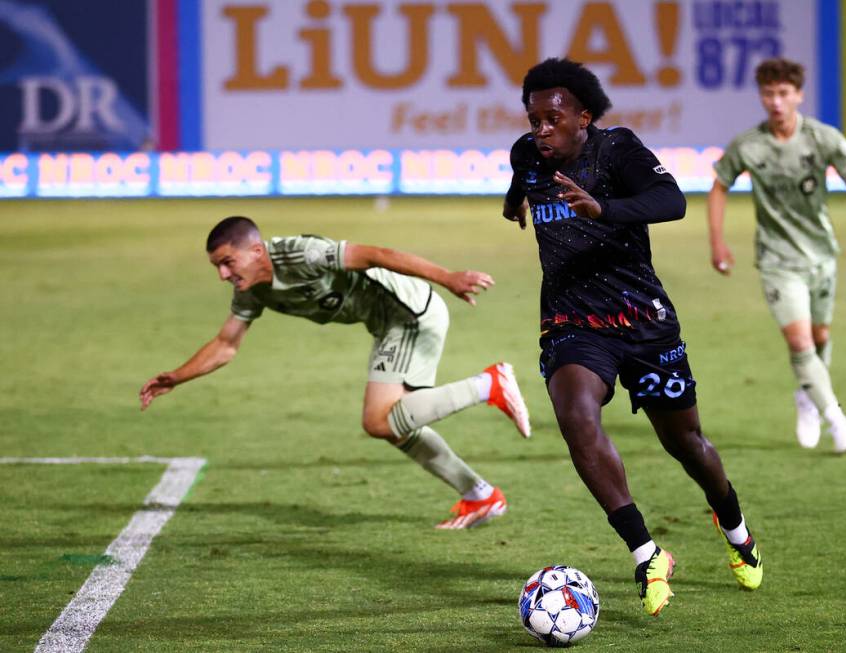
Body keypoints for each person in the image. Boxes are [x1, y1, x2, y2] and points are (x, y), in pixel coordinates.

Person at [501, 58, 763, 618]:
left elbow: (673, 203)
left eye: (553, 118)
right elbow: (520, 182)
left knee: (686, 444)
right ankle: (647, 554)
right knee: (575, 414)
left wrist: (605, 208)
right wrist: (514, 204)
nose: (541, 130)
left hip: (642, 320)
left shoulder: (618, 149)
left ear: (584, 117)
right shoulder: (527, 155)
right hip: (572, 322)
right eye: (533, 119)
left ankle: (736, 529)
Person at [139, 216, 532, 529]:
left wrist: (448, 277)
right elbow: (226, 345)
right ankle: (480, 494)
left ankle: (490, 384)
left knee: (380, 421)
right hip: (386, 324)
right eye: (217, 266)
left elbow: (377, 253)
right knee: (392, 425)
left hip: (410, 313)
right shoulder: (250, 289)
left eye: (228, 262)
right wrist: (176, 376)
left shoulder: (302, 255)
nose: (223, 275)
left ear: (257, 250)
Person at [707, 57, 846, 453]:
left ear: (798, 95)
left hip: (820, 254)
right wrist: (717, 240)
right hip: (776, 260)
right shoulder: (749, 145)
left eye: (784, 93)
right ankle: (837, 420)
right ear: (761, 96)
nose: (776, 101)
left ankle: (807, 396)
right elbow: (718, 186)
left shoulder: (822, 138)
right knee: (800, 342)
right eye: (768, 93)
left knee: (820, 337)